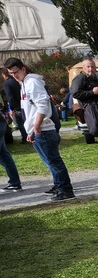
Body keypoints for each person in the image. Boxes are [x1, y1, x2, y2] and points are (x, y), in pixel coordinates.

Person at [4, 57, 74, 200]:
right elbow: (31, 111)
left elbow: (42, 105)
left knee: (54, 161)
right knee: (51, 161)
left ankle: (65, 190)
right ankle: (59, 186)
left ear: (23, 69)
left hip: (44, 130)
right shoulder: (24, 83)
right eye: (11, 73)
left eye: (15, 72)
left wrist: (36, 127)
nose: (14, 76)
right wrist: (30, 130)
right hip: (38, 130)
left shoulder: (32, 82)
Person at [2, 66, 28, 143]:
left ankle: (25, 138)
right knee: (26, 121)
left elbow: (9, 96)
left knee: (20, 123)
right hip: (24, 103)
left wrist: (12, 108)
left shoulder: (6, 83)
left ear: (4, 75)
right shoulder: (18, 81)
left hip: (16, 106)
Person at [0, 109, 22, 190]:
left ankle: (14, 182)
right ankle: (14, 182)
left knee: (4, 156)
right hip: (1, 123)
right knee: (4, 156)